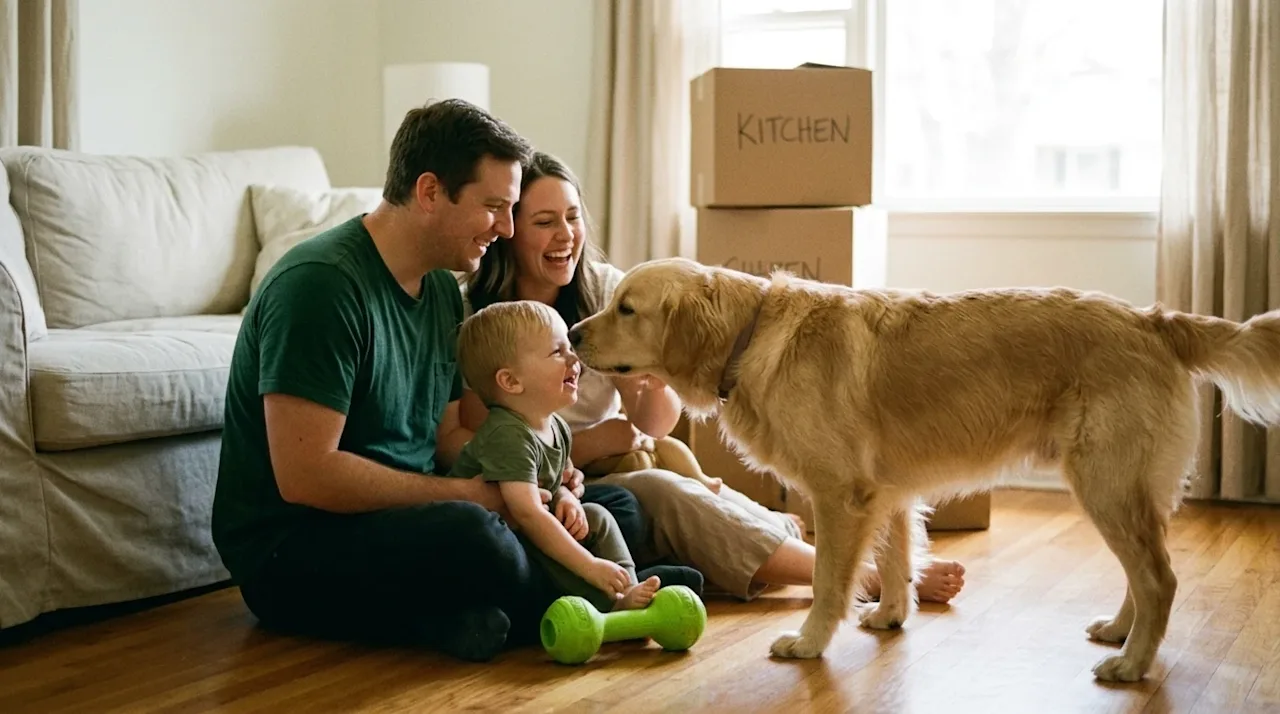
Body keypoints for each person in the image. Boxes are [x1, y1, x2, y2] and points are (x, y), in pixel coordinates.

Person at [210, 99, 654, 663]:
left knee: (618, 508)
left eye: (512, 209)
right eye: (493, 206)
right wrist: (471, 496)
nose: (508, 228)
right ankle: (577, 600)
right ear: (428, 192)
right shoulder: (321, 287)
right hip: (295, 548)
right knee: (473, 535)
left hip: (405, 521)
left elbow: (448, 438)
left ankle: (484, 616)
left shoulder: (443, 293)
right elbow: (307, 478)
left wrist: (542, 488)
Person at [460, 150, 967, 604]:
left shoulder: (608, 292)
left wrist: (648, 383)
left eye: (572, 217)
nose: (565, 236)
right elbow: (486, 437)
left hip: (624, 456)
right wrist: (584, 446)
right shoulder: (486, 323)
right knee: (665, 489)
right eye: (545, 222)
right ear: (510, 231)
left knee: (696, 480)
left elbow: (657, 425)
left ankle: (794, 545)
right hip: (552, 478)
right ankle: (866, 579)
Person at [450, 300, 703, 613]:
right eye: (558, 352)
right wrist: (591, 565)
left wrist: (567, 496)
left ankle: (629, 584)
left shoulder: (554, 424)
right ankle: (604, 601)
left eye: (570, 347)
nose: (574, 357)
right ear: (511, 382)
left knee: (597, 514)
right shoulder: (508, 436)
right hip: (500, 541)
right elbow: (528, 515)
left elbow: (553, 480)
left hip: (531, 523)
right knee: (543, 548)